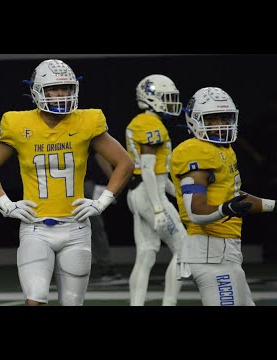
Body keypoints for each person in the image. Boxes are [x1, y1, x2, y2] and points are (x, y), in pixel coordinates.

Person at [0, 59, 134, 306]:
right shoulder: (18, 124)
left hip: (76, 228)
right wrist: (6, 204)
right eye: (53, 89)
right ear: (37, 91)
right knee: (34, 300)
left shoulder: (87, 121)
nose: (61, 94)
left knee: (72, 303)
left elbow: (125, 163)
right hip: (35, 228)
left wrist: (102, 202)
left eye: (66, 88)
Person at [170, 86, 277, 306]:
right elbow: (196, 212)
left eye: (225, 117)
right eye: (211, 119)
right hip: (210, 251)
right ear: (195, 120)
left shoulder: (225, 149)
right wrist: (226, 209)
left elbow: (236, 198)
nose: (220, 125)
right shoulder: (194, 150)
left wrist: (272, 205)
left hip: (225, 252)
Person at [125, 74, 187, 306]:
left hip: (140, 191)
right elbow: (149, 170)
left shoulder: (142, 122)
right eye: (166, 98)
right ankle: (169, 303)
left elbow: (157, 175)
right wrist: (160, 208)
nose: (171, 103)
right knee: (185, 247)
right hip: (149, 194)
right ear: (151, 98)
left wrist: (178, 195)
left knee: (146, 253)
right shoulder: (150, 124)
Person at [84, 152, 122, 281]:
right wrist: (114, 183)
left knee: (94, 227)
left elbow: (99, 154)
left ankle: (106, 267)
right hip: (76, 185)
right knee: (95, 227)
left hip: (78, 184)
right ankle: (106, 267)